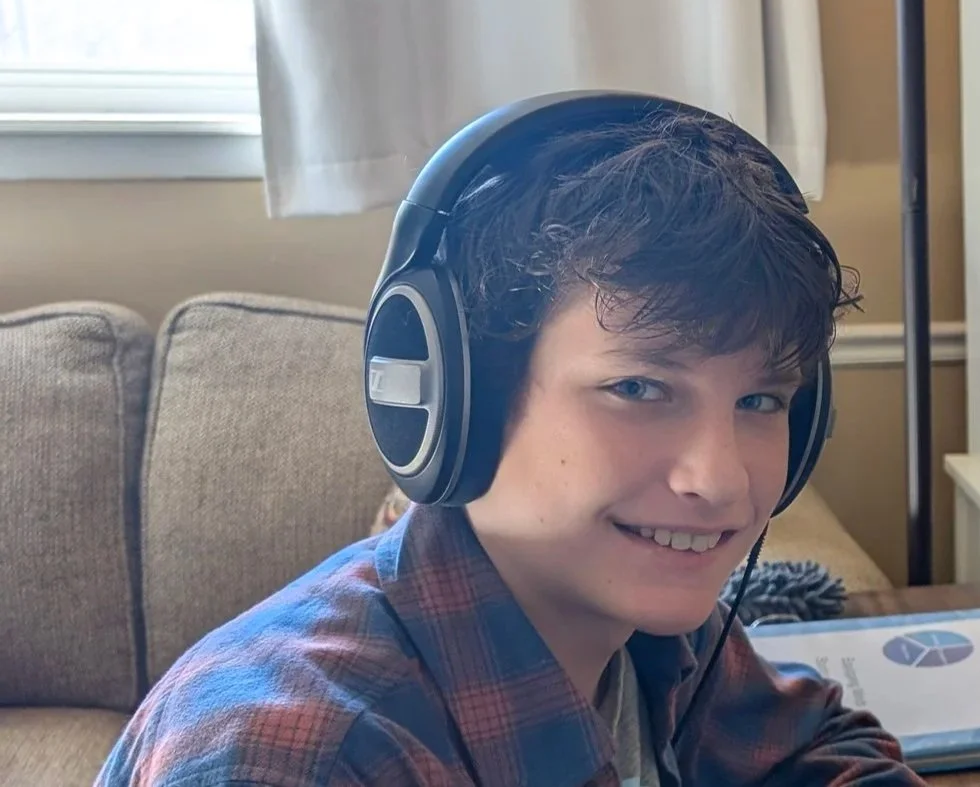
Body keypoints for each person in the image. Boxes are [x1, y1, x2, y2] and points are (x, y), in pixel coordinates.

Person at [97, 92, 923, 786]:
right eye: (637, 387)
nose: (719, 480)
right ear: (460, 399)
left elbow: (819, 747)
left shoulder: (646, 621)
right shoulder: (297, 757)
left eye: (760, 399)